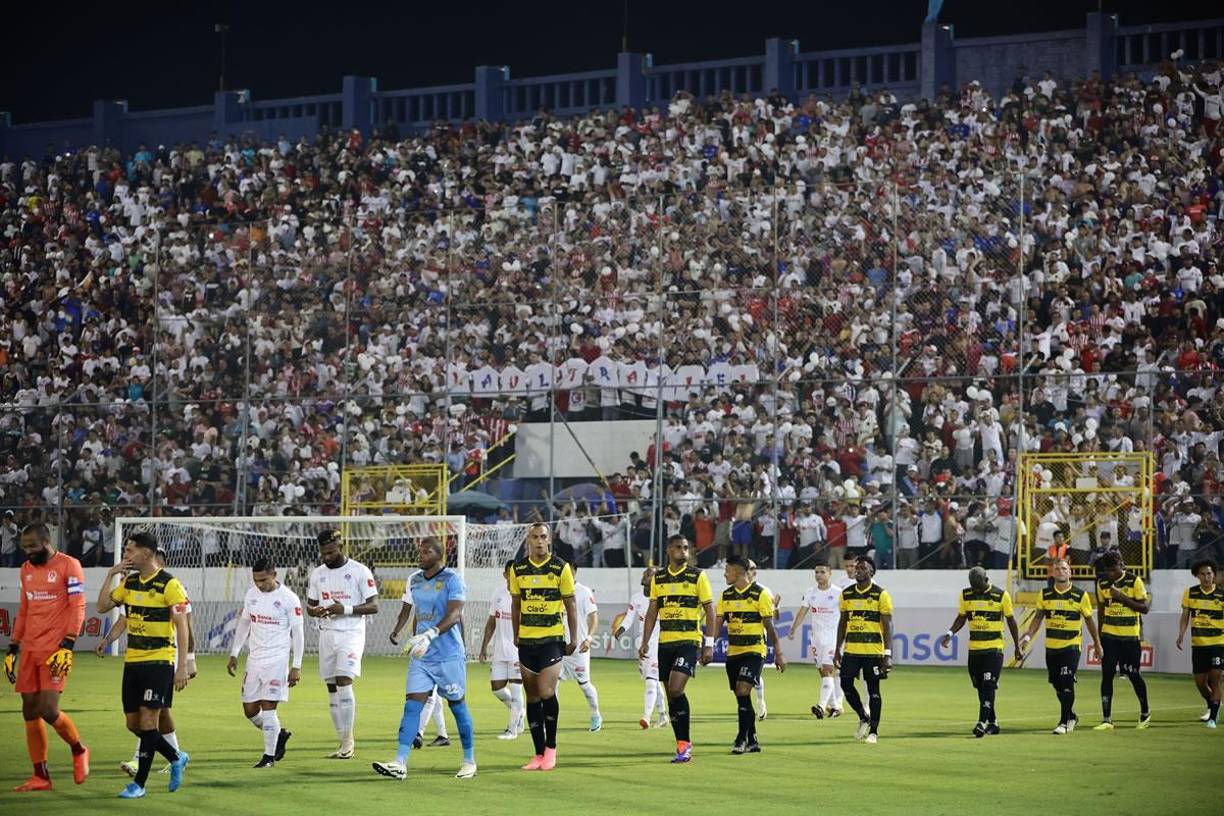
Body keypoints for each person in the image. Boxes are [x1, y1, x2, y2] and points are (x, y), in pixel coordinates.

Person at [96, 531, 191, 799]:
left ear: (146, 553)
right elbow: (103, 607)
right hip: (133, 662)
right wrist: (111, 574)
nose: (126, 555)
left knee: (150, 720)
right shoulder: (130, 582)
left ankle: (139, 784)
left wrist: (182, 666)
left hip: (159, 661)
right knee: (133, 724)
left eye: (129, 550)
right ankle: (176, 756)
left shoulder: (170, 584)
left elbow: (182, 626)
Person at [374, 536, 476, 780]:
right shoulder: (415, 580)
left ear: (439, 555)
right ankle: (400, 762)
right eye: (419, 551)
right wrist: (409, 635)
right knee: (412, 705)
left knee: (457, 706)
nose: (420, 555)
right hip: (423, 657)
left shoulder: (452, 579)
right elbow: (414, 612)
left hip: (448, 655)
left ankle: (469, 761)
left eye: (426, 552)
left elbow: (455, 614)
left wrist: (431, 634)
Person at [5, 523, 89, 792]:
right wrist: (13, 646)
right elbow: (25, 609)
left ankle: (79, 749)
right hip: (30, 649)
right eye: (24, 547)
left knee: (48, 710)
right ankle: (40, 775)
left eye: (32, 546)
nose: (28, 551)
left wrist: (68, 643)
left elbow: (78, 605)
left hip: (55, 650)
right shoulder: (26, 569)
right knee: (29, 709)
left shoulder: (69, 565)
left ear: (46, 541)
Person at [639, 534, 716, 763]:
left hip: (688, 642)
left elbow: (710, 610)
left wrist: (708, 644)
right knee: (672, 696)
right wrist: (645, 641)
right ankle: (681, 744)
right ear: (668, 550)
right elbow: (652, 612)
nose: (683, 551)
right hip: (665, 643)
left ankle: (685, 744)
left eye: (686, 548)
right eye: (678, 547)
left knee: (674, 689)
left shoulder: (697, 576)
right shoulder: (659, 578)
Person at [509, 523, 578, 771]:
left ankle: (551, 748)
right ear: (528, 539)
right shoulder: (518, 569)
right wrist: (516, 633)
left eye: (543, 537)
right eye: (535, 537)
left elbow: (570, 605)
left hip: (552, 640)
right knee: (533, 696)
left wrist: (574, 637)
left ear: (549, 540)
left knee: (547, 692)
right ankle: (538, 754)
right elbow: (516, 604)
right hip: (527, 641)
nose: (539, 541)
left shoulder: (560, 567)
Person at [306, 529, 379, 759]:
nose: (327, 557)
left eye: (331, 552)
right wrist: (316, 611)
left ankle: (348, 741)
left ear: (340, 546)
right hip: (327, 633)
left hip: (351, 633)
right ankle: (342, 741)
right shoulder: (317, 574)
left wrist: (344, 609)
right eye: (323, 553)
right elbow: (310, 606)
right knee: (331, 687)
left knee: (343, 681)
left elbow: (374, 606)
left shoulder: (359, 571)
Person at [226, 558, 304, 767]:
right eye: (256, 580)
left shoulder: (289, 599)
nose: (259, 584)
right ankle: (279, 734)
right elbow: (244, 623)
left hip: (277, 661)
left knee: (268, 708)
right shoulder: (251, 595)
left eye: (263, 580)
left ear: (274, 575)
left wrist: (296, 666)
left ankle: (269, 757)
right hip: (254, 660)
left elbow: (298, 634)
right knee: (250, 710)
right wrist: (234, 653)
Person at [1020, 558, 1103, 734]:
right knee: (1057, 685)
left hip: (1071, 646)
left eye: (1064, 568)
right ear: (1053, 573)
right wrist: (1027, 637)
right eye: (1057, 569)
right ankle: (1071, 715)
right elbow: (1037, 618)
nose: (1060, 571)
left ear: (1070, 572)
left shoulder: (1080, 595)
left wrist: (1097, 643)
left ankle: (1064, 722)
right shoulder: (1045, 594)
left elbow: (1089, 621)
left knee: (1066, 682)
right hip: (1051, 647)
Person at [939, 566, 1023, 737]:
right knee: (981, 687)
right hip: (974, 650)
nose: (976, 590)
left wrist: (1017, 646)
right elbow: (961, 617)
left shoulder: (1001, 596)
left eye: (979, 587)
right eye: (973, 587)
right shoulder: (966, 595)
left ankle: (981, 722)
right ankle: (993, 722)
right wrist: (949, 634)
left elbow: (1011, 621)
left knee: (988, 684)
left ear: (986, 580)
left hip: (994, 648)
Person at [716, 556, 785, 753]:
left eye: (727, 570)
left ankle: (740, 739)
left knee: (742, 690)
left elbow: (770, 627)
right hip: (733, 653)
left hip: (754, 651)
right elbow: (718, 624)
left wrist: (778, 652)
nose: (724, 574)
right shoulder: (725, 596)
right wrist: (707, 646)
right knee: (742, 697)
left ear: (737, 572)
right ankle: (753, 738)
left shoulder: (760, 594)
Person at [833, 555, 892, 743]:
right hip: (851, 650)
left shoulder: (880, 594)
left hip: (873, 651)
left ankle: (874, 731)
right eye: (856, 568)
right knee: (845, 684)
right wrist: (837, 649)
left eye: (862, 568)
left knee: (874, 690)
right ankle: (863, 716)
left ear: (871, 572)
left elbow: (888, 625)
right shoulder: (846, 594)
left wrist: (887, 654)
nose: (857, 570)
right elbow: (843, 622)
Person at [1093, 552, 1152, 730]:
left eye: (1114, 570)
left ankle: (1145, 712)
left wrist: (1121, 597)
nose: (1111, 574)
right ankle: (1106, 719)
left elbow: (1144, 608)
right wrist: (1099, 639)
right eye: (1109, 571)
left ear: (1121, 564)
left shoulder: (1134, 581)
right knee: (1107, 675)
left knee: (1133, 674)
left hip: (1129, 638)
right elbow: (1101, 611)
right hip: (1109, 637)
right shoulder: (1102, 583)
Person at [613, 567, 668, 729]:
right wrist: (620, 630)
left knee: (651, 679)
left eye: (651, 574)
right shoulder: (636, 598)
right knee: (653, 680)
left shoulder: (661, 598)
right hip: (643, 643)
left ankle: (646, 716)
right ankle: (663, 715)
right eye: (646, 573)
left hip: (658, 643)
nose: (646, 575)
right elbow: (629, 618)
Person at [788, 562, 845, 718]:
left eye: (822, 572)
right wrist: (793, 628)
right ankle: (835, 706)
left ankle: (820, 706)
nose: (819, 575)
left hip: (833, 639)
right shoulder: (810, 593)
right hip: (816, 639)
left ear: (830, 573)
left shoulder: (839, 593)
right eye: (816, 572)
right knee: (823, 673)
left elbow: (846, 615)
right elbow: (802, 612)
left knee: (828, 670)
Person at [478, 560, 525, 739]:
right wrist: (483, 647)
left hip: (517, 650)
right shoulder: (498, 593)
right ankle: (519, 711)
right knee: (497, 688)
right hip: (499, 651)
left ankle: (512, 729)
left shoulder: (525, 595)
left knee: (516, 689)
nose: (514, 576)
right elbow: (491, 622)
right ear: (505, 575)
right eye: (510, 573)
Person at [1176, 558, 1222, 728]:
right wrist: (1181, 634)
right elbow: (1185, 617)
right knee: (1200, 683)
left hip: (1218, 643)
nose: (1206, 577)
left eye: (1209, 573)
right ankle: (1212, 705)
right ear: (1197, 576)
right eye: (1202, 574)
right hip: (1199, 645)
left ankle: (1213, 718)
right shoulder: (1190, 593)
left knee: (1215, 679)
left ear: (1214, 575)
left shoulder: (1221, 595)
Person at [560, 563, 603, 731]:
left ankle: (596, 715)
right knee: (551, 684)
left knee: (584, 684)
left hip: (578, 647)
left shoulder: (584, 592)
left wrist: (589, 638)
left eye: (569, 571)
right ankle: (549, 720)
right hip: (557, 646)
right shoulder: (555, 590)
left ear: (575, 572)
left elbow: (594, 617)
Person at [745, 559, 779, 719]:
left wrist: (776, 606)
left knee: (754, 674)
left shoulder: (764, 591)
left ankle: (759, 701)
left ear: (755, 572)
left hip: (757, 639)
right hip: (738, 640)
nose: (748, 572)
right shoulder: (734, 590)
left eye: (751, 569)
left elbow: (774, 618)